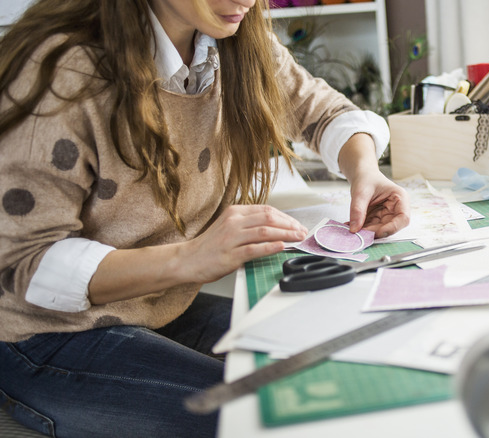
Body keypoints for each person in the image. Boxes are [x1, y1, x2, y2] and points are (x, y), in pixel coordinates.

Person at [0, 0, 409, 436]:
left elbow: (324, 112)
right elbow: (22, 263)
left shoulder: (231, 40)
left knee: (348, 366)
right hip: (45, 335)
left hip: (159, 307)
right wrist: (190, 259)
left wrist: (365, 170)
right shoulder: (66, 69)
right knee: (282, 414)